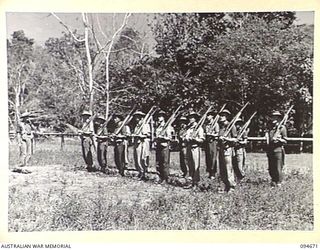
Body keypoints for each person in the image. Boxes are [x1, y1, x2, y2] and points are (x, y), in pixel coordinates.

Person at [217, 109, 237, 193]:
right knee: (222, 169)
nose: (221, 117)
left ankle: (231, 187)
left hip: (227, 149)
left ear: (227, 117)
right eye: (220, 115)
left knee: (228, 168)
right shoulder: (221, 126)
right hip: (221, 149)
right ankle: (225, 186)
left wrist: (226, 139)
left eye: (223, 115)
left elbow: (235, 139)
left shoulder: (231, 126)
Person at [266, 111, 287, 187]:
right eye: (272, 117)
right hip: (270, 150)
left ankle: (279, 182)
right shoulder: (270, 128)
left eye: (275, 117)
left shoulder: (282, 128)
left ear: (278, 118)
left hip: (278, 150)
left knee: (278, 167)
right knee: (271, 167)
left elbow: (285, 140)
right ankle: (273, 181)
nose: (273, 118)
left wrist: (279, 139)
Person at [184, 112, 205, 189]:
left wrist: (195, 139)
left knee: (196, 165)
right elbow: (185, 136)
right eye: (189, 117)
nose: (190, 119)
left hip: (195, 148)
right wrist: (186, 138)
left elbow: (202, 139)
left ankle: (196, 183)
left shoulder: (199, 128)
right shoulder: (189, 128)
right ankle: (191, 181)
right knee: (190, 165)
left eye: (192, 117)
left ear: (195, 118)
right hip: (189, 147)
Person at [154, 110, 174, 184]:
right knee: (158, 162)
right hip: (158, 146)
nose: (159, 118)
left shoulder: (167, 126)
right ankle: (159, 177)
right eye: (158, 116)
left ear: (164, 117)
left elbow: (169, 138)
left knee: (165, 162)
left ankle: (166, 178)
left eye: (161, 116)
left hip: (164, 146)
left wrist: (162, 137)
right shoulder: (158, 127)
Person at [132, 110, 151, 181]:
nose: (136, 118)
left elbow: (148, 135)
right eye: (135, 116)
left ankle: (144, 173)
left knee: (143, 158)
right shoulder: (137, 126)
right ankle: (140, 172)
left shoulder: (145, 125)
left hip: (143, 143)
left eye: (137, 117)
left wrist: (140, 135)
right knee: (137, 157)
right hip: (137, 143)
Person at [204, 110, 219, 179]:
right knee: (208, 157)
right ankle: (209, 172)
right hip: (207, 143)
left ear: (212, 116)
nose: (207, 117)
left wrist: (211, 134)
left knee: (213, 157)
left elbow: (217, 134)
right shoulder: (206, 124)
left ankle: (213, 173)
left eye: (209, 115)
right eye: (207, 115)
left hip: (213, 142)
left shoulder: (215, 124)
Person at [233, 118, 248, 183]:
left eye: (239, 124)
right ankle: (237, 177)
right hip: (233, 149)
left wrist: (240, 142)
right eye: (236, 123)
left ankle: (241, 177)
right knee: (234, 164)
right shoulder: (233, 131)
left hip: (240, 149)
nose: (238, 125)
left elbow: (245, 141)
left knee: (240, 165)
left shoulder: (243, 132)